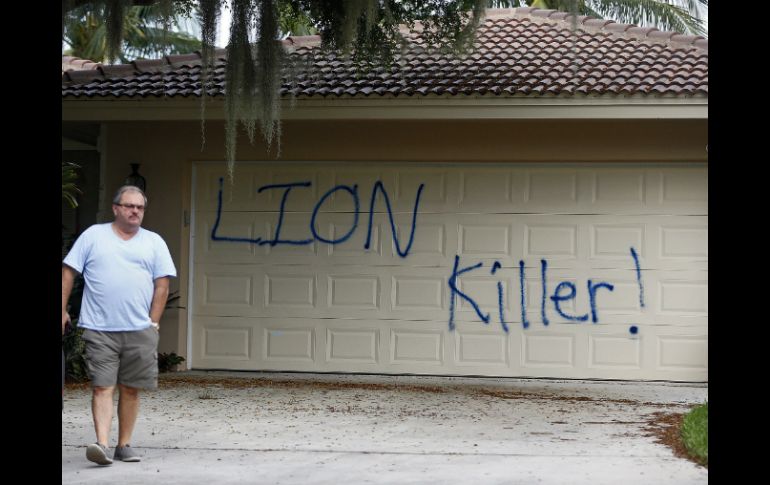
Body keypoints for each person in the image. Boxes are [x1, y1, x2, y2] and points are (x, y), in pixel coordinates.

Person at [62, 185, 177, 466]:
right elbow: (68, 271)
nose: (135, 211)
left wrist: (153, 322)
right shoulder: (93, 236)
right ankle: (101, 443)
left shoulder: (154, 242)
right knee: (102, 386)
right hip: (100, 328)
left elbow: (162, 285)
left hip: (139, 329)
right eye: (129, 206)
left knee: (131, 388)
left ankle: (124, 445)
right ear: (116, 208)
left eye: (139, 207)